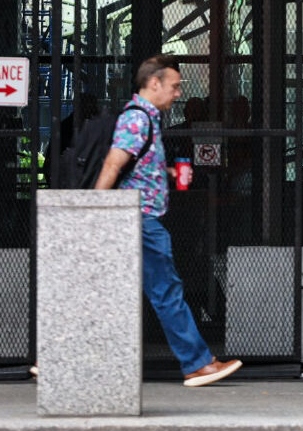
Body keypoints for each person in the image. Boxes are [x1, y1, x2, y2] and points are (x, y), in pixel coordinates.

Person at [94, 54, 242, 387]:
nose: (178, 94)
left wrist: (168, 172)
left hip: (134, 217)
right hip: (142, 220)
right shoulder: (137, 120)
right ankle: (197, 364)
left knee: (104, 292)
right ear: (154, 83)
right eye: (174, 86)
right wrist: (95, 211)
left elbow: (133, 165)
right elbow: (112, 165)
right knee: (167, 292)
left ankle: (57, 359)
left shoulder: (146, 119)